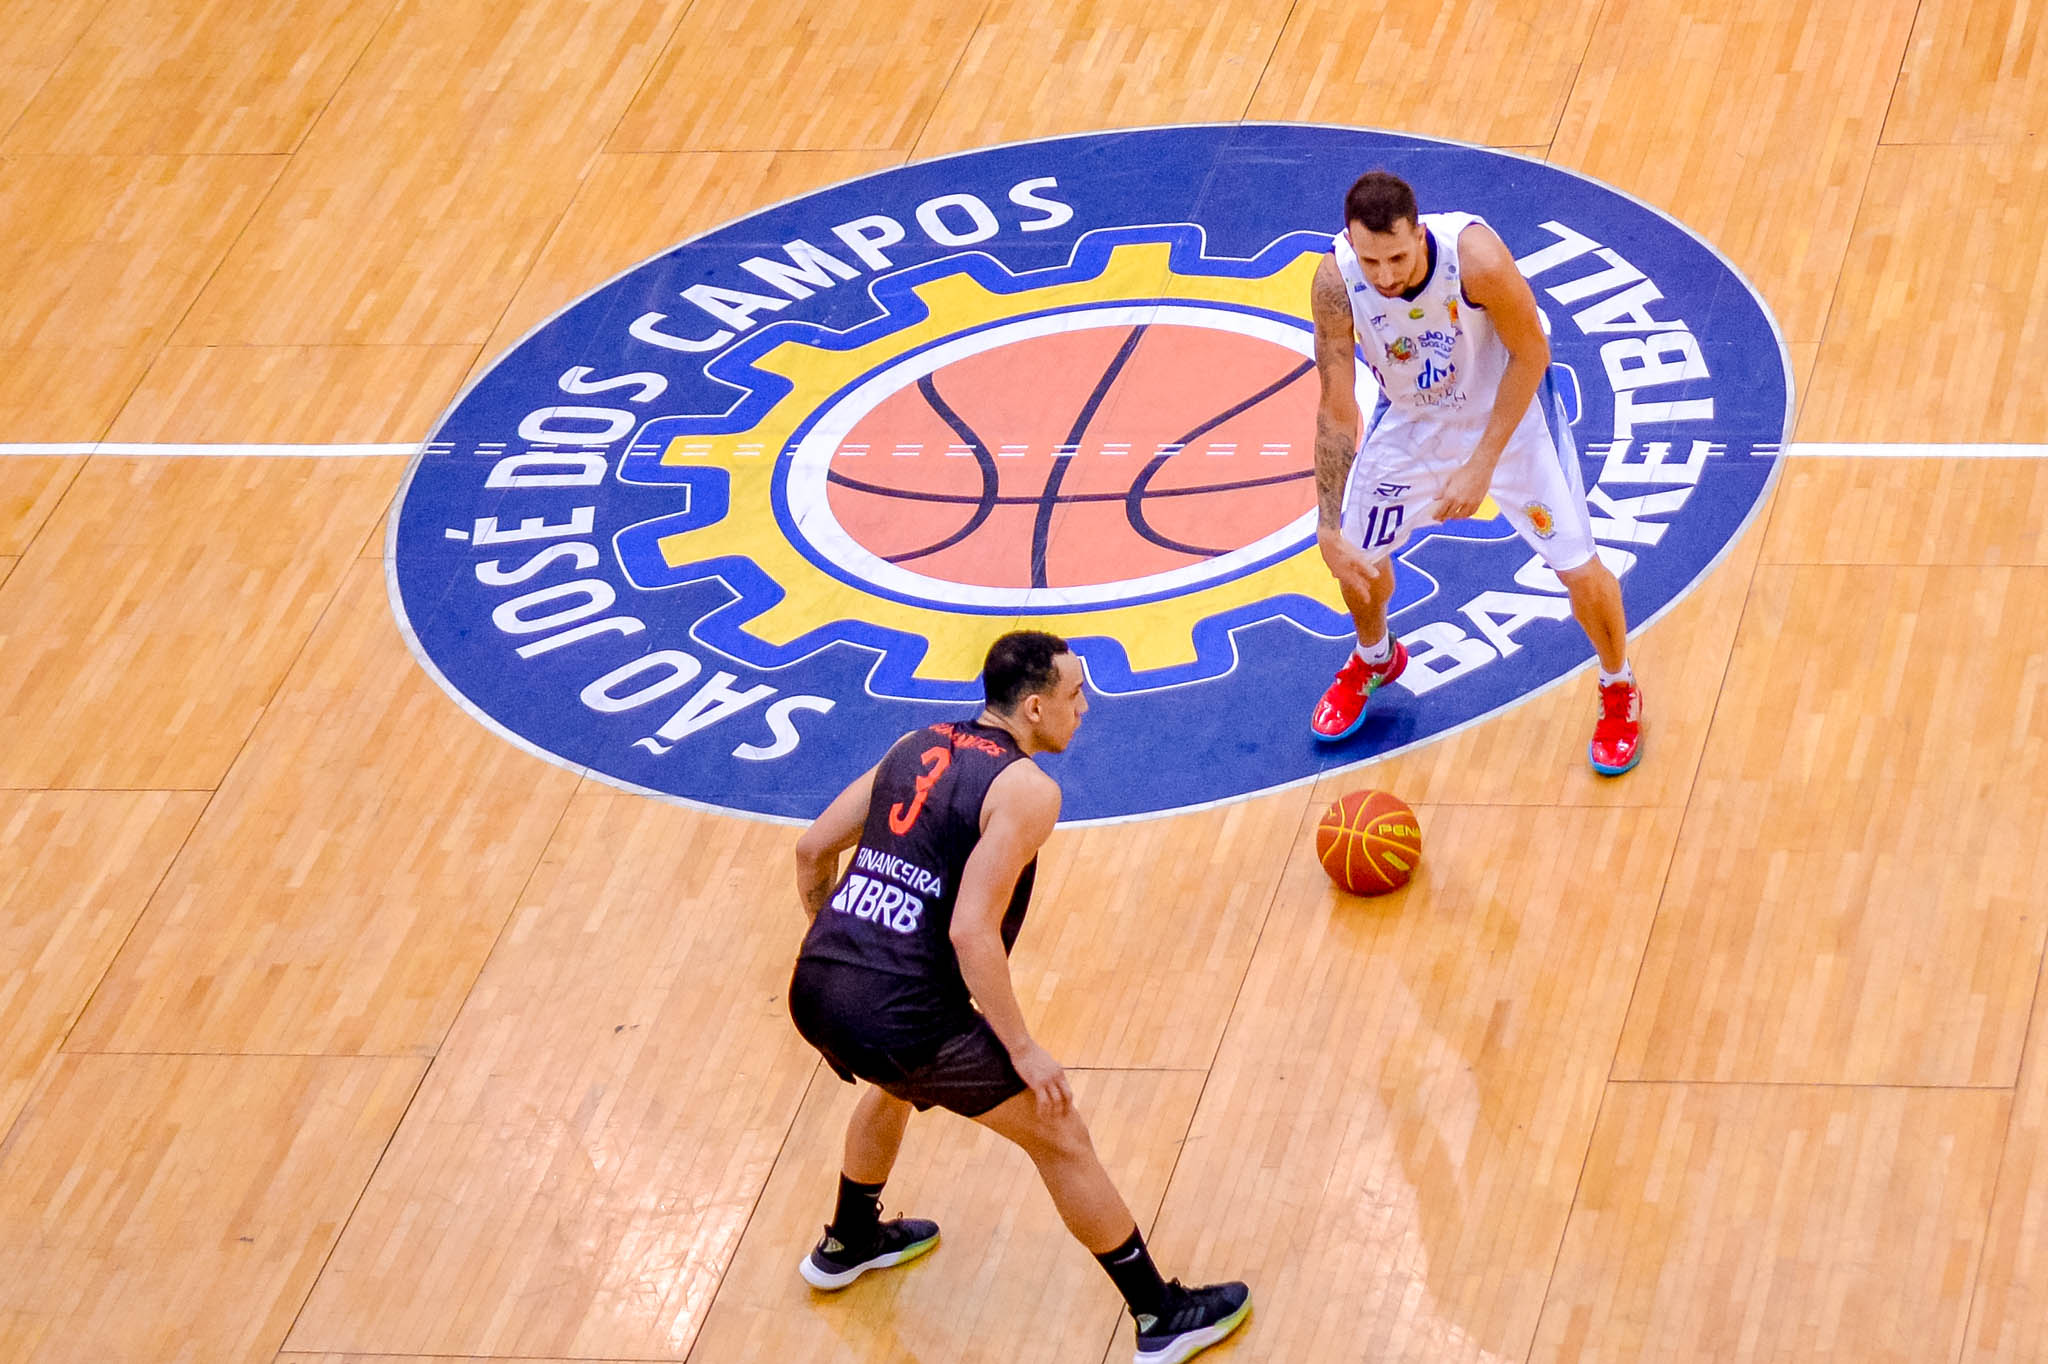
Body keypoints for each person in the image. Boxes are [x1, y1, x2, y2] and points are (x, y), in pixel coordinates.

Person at [787, 630, 1251, 1364]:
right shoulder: (1028, 790)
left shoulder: (914, 743)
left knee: (895, 1083)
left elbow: (813, 849)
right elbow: (974, 931)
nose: (1085, 707)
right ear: (1033, 707)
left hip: (816, 987)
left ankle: (849, 1241)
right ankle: (1161, 1316)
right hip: (899, 1008)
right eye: (1074, 695)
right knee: (1058, 1131)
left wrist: (841, 942)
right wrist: (1023, 1048)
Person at [1308, 169, 1643, 775]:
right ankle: (1376, 655)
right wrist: (1326, 523)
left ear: (1420, 231)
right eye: (1371, 259)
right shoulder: (1336, 280)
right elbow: (1336, 405)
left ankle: (1618, 684)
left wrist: (1482, 464)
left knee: (1577, 566)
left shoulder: (1477, 260)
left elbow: (1533, 353)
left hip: (1509, 419)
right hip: (1412, 421)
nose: (1384, 276)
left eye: (1398, 258)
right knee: (1353, 557)